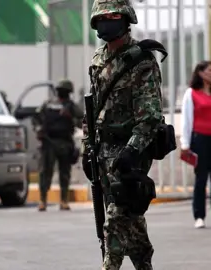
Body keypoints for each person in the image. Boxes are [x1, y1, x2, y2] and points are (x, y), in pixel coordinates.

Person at [82, 0, 163, 269]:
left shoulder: (141, 60)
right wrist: (87, 146)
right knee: (131, 218)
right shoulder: (98, 60)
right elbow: (92, 110)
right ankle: (144, 264)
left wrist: (131, 151)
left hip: (132, 151)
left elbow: (150, 117)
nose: (107, 21)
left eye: (113, 16)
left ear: (126, 19)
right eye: (102, 17)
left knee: (115, 218)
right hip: (102, 150)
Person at [32, 79, 83, 212]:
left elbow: (82, 120)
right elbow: (36, 118)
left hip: (64, 141)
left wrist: (71, 118)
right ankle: (43, 200)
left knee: (64, 173)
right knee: (45, 172)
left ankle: (63, 200)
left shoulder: (71, 106)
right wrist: (38, 129)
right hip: (48, 142)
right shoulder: (48, 104)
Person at [180, 60, 211, 229]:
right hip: (200, 140)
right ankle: (199, 215)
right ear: (200, 73)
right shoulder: (191, 94)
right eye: (209, 70)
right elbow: (186, 120)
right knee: (201, 178)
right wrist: (185, 143)